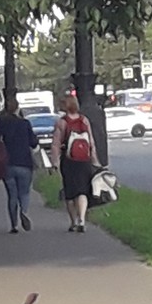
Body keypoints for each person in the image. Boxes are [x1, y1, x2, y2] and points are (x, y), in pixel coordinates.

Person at [51, 95, 102, 233]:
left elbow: (56, 144)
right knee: (83, 191)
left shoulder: (62, 122)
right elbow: (91, 142)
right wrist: (95, 160)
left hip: (69, 161)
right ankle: (82, 219)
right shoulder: (84, 120)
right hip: (84, 161)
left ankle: (73, 221)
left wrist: (54, 162)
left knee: (70, 192)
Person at [0, 97, 38, 233]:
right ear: (18, 108)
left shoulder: (1, 123)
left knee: (12, 195)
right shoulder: (25, 124)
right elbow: (34, 143)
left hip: (8, 163)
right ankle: (24, 211)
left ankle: (14, 225)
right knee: (24, 193)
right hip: (25, 163)